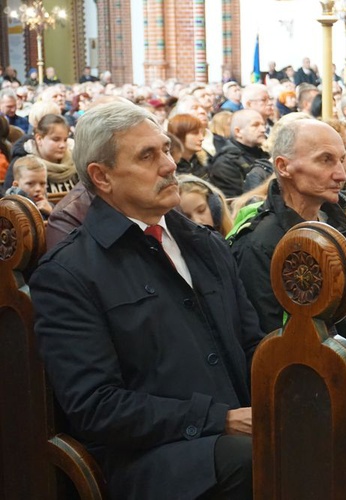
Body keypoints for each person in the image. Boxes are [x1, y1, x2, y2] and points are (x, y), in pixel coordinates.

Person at [30, 100, 263, 499]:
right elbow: (97, 406)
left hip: (235, 434)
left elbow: (251, 345)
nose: (170, 165)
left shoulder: (204, 244)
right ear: (102, 177)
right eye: (147, 155)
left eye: (167, 150)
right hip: (153, 460)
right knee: (260, 458)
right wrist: (218, 419)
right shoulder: (68, 273)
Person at [229, 119, 346, 352]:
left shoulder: (341, 218)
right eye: (325, 160)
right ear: (283, 166)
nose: (341, 175)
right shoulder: (259, 242)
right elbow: (269, 343)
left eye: (341, 160)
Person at [5, 113, 76, 194]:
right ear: (39, 139)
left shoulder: (73, 164)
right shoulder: (22, 164)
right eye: (56, 139)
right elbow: (9, 199)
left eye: (65, 140)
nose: (62, 145)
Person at [209, 109, 271, 197]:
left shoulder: (263, 153)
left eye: (263, 125)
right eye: (255, 125)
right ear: (238, 132)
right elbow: (237, 201)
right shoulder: (225, 163)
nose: (263, 129)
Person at [168, 114, 208, 178]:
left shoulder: (204, 161)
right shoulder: (170, 168)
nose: (201, 138)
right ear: (179, 136)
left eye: (202, 133)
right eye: (195, 133)